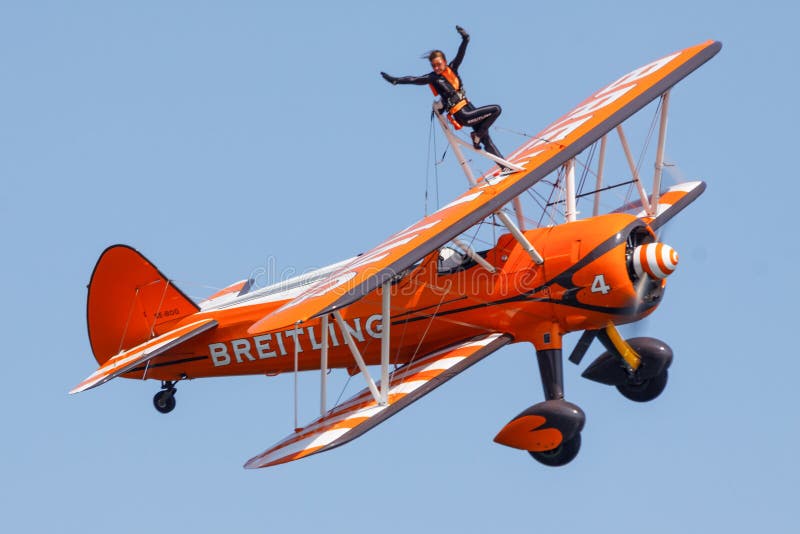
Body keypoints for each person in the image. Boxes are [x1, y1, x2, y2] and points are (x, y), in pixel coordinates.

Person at [381, 25, 506, 163]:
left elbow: (461, 53)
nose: (436, 68)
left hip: (470, 108)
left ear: (445, 62)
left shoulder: (452, 68)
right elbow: (414, 79)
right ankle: (477, 135)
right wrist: (395, 80)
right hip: (462, 115)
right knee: (496, 109)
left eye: (438, 64)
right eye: (433, 65)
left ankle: (504, 166)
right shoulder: (433, 78)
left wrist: (465, 39)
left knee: (486, 140)